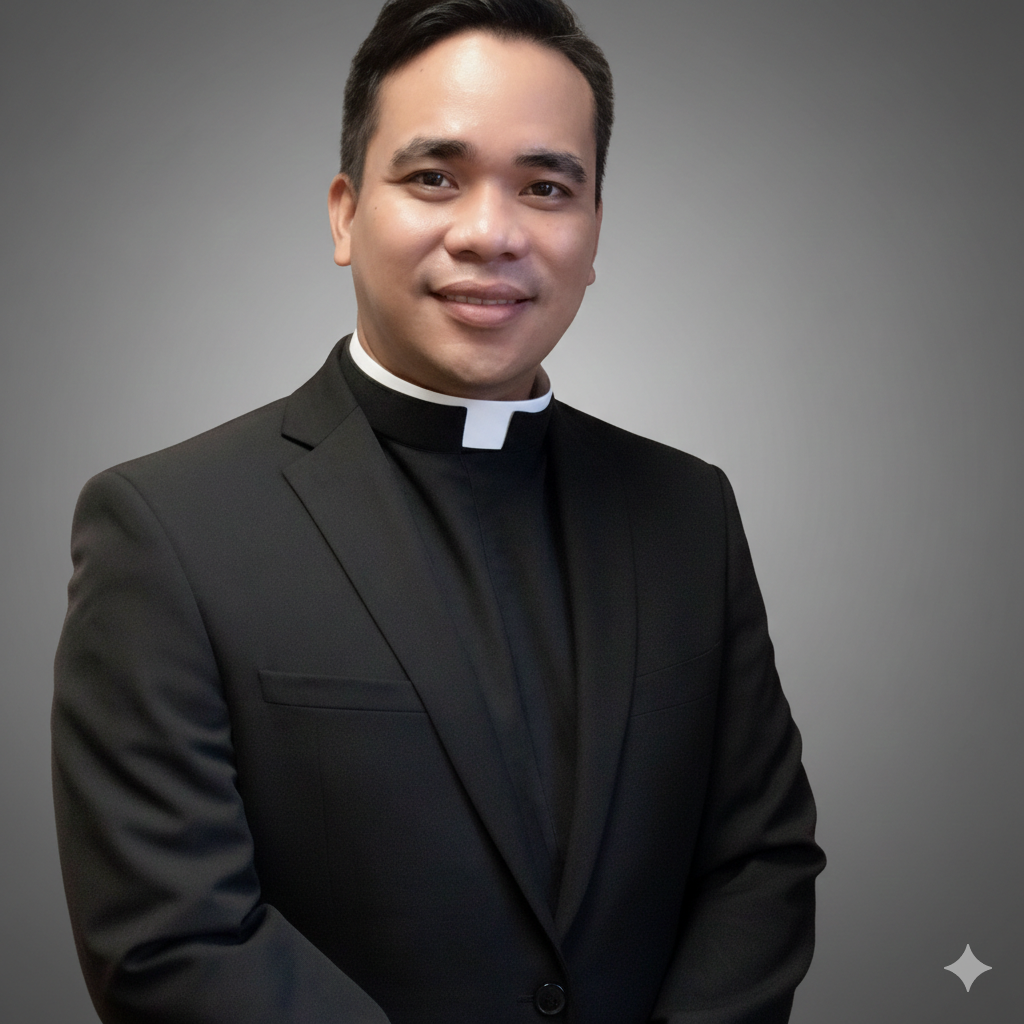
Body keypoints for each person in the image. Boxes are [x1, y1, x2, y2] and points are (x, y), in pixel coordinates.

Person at [52, 1, 825, 1022]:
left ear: (593, 233)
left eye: (546, 187)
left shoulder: (688, 512)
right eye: (433, 178)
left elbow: (759, 861)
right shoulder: (168, 526)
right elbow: (172, 937)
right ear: (343, 211)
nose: (491, 233)